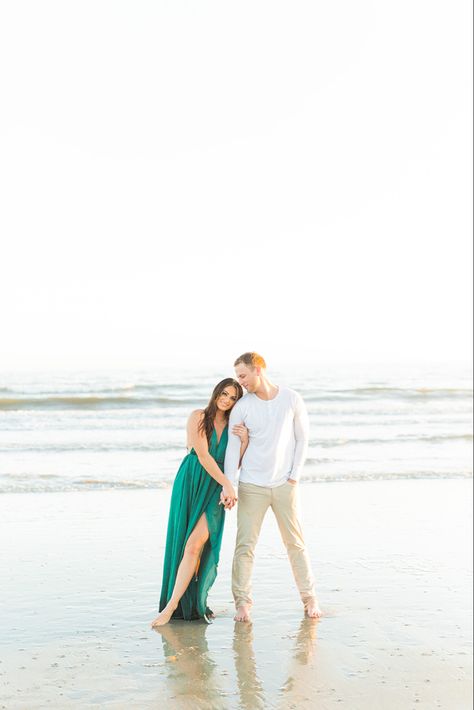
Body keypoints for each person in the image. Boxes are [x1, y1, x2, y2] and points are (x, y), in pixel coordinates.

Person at [223, 352, 322, 622]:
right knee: (245, 546)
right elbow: (233, 448)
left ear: (258, 370)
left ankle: (309, 598)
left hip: (284, 485)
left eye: (242, 375)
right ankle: (242, 603)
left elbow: (303, 439)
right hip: (251, 485)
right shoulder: (242, 407)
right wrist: (229, 484)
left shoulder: (291, 399)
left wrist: (294, 477)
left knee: (295, 543)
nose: (239, 382)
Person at [151, 378, 246, 627]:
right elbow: (203, 456)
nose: (227, 399)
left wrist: (244, 440)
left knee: (196, 547)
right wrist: (228, 485)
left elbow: (234, 463)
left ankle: (175, 607)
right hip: (192, 481)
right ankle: (183, 605)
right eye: (224, 393)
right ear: (216, 393)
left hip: (215, 488)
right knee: (185, 545)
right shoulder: (198, 417)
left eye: (233, 397)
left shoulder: (234, 425)